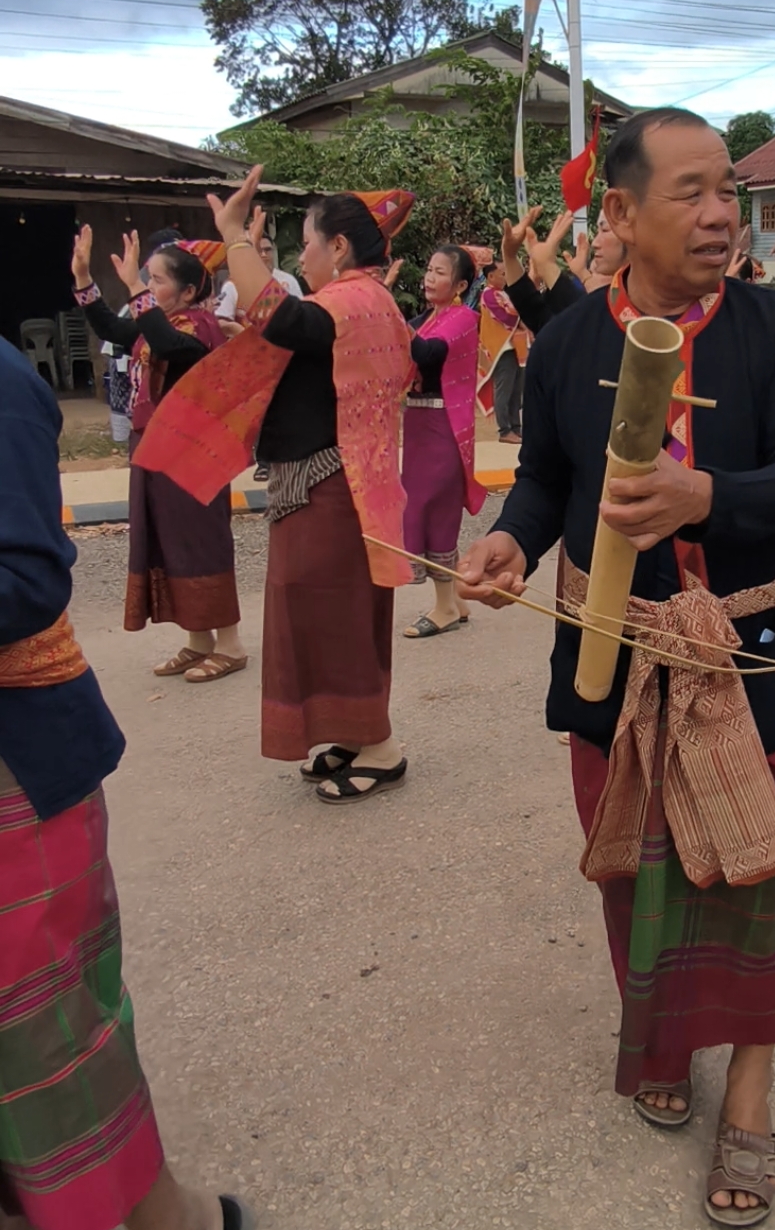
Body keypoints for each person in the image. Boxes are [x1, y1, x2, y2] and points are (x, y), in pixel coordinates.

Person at [458, 107, 775, 1228]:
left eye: (729, 189)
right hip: (605, 649)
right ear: (619, 213)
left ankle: (754, 1089)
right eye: (693, 192)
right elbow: (542, 477)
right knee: (629, 861)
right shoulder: (572, 338)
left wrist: (706, 496)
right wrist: (507, 538)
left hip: (744, 648)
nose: (722, 212)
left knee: (749, 864)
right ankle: (666, 1032)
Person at [0, 336, 251, 1230]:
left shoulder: (8, 382)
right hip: (158, 473)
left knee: (46, 1031)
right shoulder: (151, 323)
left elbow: (25, 576)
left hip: (15, 763)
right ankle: (29, 1204)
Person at [134, 171, 415, 805]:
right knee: (321, 613)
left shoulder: (351, 300)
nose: (301, 258)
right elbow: (300, 339)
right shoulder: (361, 301)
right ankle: (353, 730)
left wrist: (233, 235)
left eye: (308, 245)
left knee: (333, 614)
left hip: (332, 485)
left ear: (338, 248)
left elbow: (282, 318)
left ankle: (380, 747)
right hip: (334, 482)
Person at [71, 226, 245, 683]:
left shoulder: (200, 328)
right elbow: (114, 327)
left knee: (200, 539)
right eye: (146, 281)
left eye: (157, 282)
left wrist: (132, 289)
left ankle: (230, 644)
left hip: (193, 454)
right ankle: (198, 639)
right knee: (170, 540)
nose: (148, 290)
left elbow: (171, 348)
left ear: (189, 291)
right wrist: (85, 278)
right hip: (154, 447)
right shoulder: (156, 326)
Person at [401, 244, 487, 638]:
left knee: (433, 507)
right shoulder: (425, 318)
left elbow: (428, 354)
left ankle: (445, 606)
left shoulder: (463, 318)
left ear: (460, 284)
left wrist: (388, 317)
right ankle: (454, 598)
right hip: (419, 425)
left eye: (439, 272)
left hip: (443, 427)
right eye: (429, 270)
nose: (429, 277)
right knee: (421, 503)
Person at [477, 254, 529, 443]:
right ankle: (505, 430)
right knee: (504, 389)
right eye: (502, 273)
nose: (505, 277)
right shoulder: (489, 294)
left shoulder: (504, 294)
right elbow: (504, 316)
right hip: (502, 347)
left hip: (516, 345)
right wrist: (523, 321)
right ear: (490, 276)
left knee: (516, 389)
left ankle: (516, 428)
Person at [214, 233, 302, 320]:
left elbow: (301, 315)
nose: (264, 254)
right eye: (259, 250)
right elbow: (222, 321)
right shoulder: (233, 285)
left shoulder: (288, 280)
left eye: (267, 250)